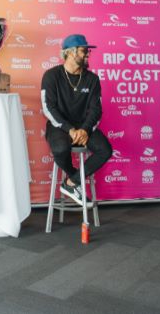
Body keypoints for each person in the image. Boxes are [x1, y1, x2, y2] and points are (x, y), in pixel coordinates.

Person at [41, 34, 112, 206]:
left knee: (105, 150)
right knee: (60, 148)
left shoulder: (92, 79)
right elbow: (48, 108)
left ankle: (71, 183)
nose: (88, 54)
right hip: (60, 127)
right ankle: (74, 181)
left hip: (84, 127)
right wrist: (69, 129)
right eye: (84, 50)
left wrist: (85, 130)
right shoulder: (51, 76)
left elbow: (96, 109)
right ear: (71, 53)